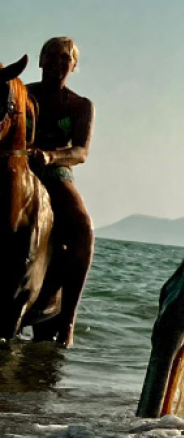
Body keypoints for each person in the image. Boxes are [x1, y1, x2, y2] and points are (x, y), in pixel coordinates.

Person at [26, 35, 95, 347]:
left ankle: (67, 319)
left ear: (74, 66)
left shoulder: (81, 106)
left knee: (83, 230)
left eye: (64, 58)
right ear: (40, 61)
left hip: (56, 172)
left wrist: (51, 156)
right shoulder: (23, 95)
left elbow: (81, 151)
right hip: (17, 166)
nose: (56, 63)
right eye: (50, 57)